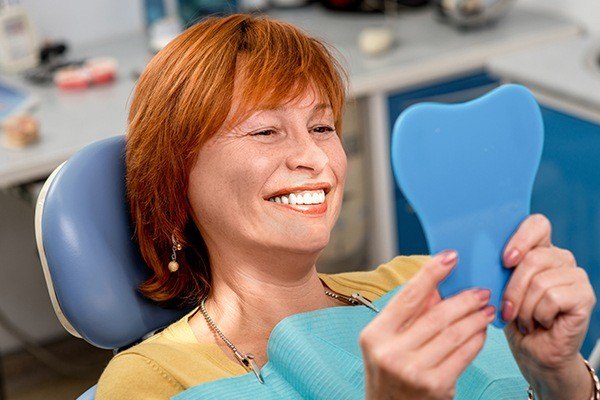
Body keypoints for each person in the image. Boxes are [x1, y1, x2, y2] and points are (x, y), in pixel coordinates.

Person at [96, 14, 597, 400]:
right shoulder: (152, 381)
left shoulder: (424, 283)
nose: (315, 159)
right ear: (175, 180)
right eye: (266, 131)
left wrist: (562, 379)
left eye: (322, 127)